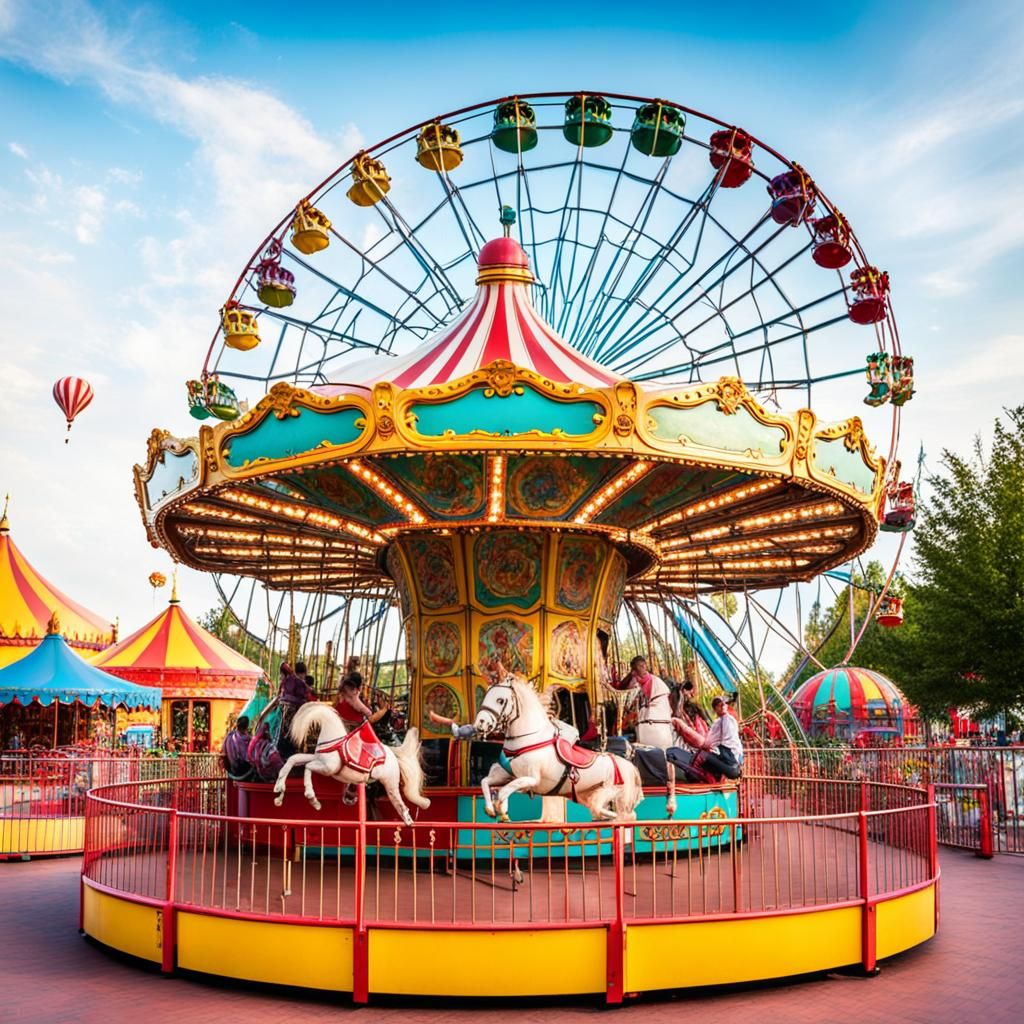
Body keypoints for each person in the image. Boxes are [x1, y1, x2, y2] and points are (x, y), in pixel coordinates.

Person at [672, 695, 744, 781]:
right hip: (733, 762)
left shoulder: (722, 721)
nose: (722, 706)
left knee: (702, 755)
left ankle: (695, 778)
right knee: (706, 757)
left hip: (730, 762)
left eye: (723, 704)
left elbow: (707, 743)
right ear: (715, 709)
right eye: (719, 705)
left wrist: (678, 723)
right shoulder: (728, 720)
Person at [221, 715, 252, 780]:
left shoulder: (229, 737)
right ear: (246, 726)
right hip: (243, 773)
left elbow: (223, 753)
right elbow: (248, 758)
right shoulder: (247, 740)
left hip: (231, 772)